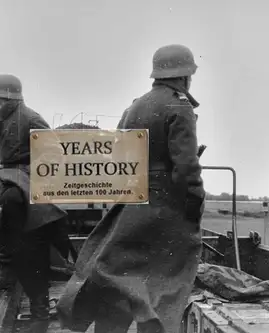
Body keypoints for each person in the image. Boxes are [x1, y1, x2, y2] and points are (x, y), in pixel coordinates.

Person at [57, 44, 205, 333]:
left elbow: (120, 159)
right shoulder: (179, 105)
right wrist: (193, 206)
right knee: (164, 288)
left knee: (120, 280)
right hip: (166, 212)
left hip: (130, 207)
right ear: (185, 76)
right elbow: (186, 168)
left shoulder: (134, 105)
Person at [0, 73, 72, 333]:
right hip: (11, 184)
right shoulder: (5, 117)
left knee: (30, 256)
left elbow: (54, 155)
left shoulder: (30, 118)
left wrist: (26, 175)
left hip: (27, 192)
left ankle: (40, 317)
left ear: (9, 98)